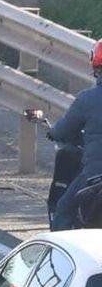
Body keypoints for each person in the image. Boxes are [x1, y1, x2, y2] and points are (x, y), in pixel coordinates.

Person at [49, 39, 102, 230]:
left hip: (94, 176)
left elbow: (63, 130)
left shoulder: (87, 98)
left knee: (64, 209)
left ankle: (59, 256)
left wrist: (52, 131)